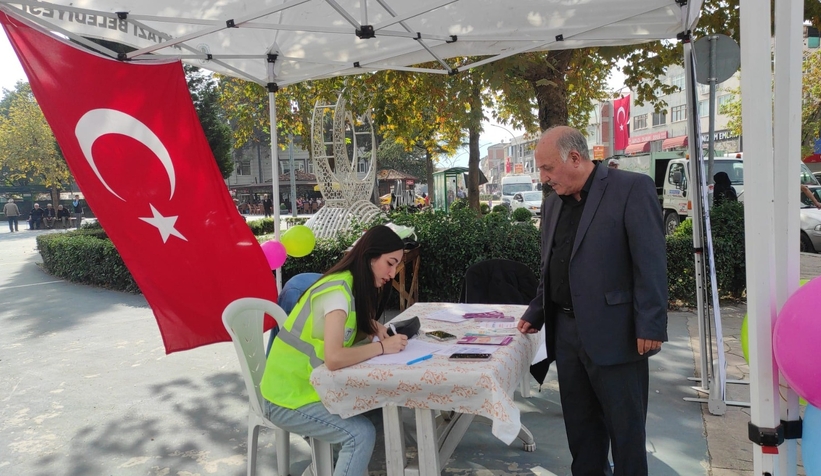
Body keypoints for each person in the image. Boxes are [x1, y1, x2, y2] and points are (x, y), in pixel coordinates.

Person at [517, 126, 667, 476]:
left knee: (626, 432)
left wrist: (651, 323)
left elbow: (651, 261)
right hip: (566, 334)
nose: (543, 178)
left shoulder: (630, 188)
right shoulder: (553, 203)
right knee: (581, 431)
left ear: (574, 158)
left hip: (618, 333)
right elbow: (552, 265)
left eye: (547, 168)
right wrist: (538, 310)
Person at [260, 225, 409, 476]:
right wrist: (382, 348)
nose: (392, 273)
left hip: (307, 390)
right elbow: (335, 357)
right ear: (371, 257)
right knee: (360, 434)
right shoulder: (338, 291)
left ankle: (323, 469)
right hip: (287, 398)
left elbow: (339, 334)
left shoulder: (346, 285)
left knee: (373, 413)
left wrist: (371, 327)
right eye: (390, 263)